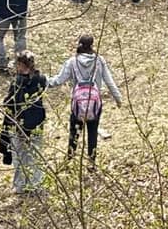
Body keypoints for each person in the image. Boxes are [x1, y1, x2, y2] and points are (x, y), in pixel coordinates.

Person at [47, 35, 124, 169]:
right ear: (92, 45)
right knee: (92, 132)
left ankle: (70, 159)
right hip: (95, 104)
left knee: (74, 132)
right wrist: (118, 99)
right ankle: (91, 162)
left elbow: (58, 80)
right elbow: (109, 81)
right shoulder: (99, 61)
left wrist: (42, 81)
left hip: (77, 105)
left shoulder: (72, 62)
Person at [1, 50, 47, 194]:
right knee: (35, 154)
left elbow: (10, 103)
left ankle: (20, 185)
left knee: (19, 156)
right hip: (37, 124)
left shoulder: (17, 82)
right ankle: (36, 185)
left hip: (19, 125)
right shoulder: (41, 79)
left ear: (21, 65)